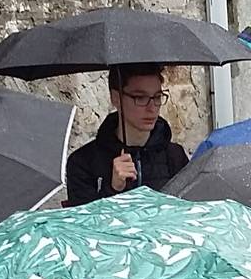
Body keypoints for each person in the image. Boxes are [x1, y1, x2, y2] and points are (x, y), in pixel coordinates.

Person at [65, 65, 192, 205]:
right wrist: (112, 189)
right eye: (140, 98)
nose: (152, 108)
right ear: (116, 98)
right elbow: (83, 217)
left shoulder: (175, 156)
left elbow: (190, 210)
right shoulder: (83, 162)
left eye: (157, 97)